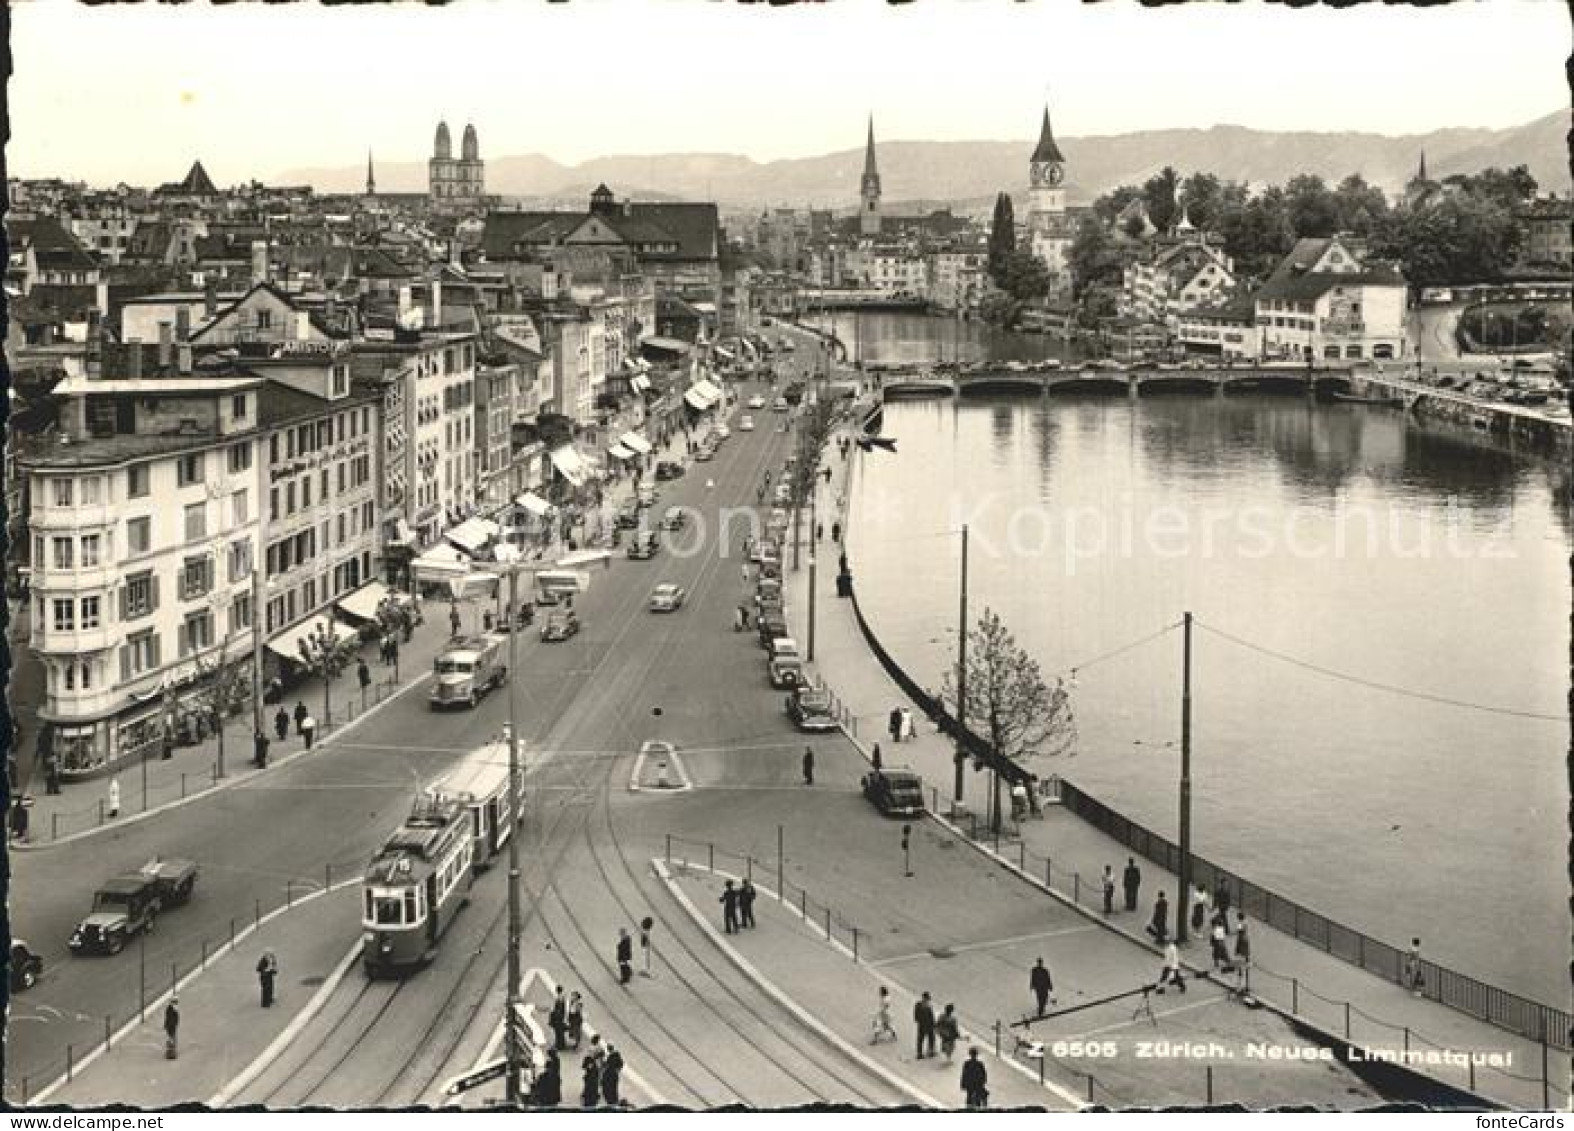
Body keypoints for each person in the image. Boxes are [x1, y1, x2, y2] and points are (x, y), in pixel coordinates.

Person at [914, 991, 937, 1059]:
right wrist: (934, 1025)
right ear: (926, 998)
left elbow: (916, 1016)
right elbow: (931, 1017)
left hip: (921, 1025)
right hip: (929, 1025)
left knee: (920, 1039)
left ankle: (919, 1053)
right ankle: (931, 1052)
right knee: (931, 1038)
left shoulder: (918, 1004)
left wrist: (918, 1021)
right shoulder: (928, 1007)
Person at [601, 1043, 625, 1107]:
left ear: (608, 1049)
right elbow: (621, 1064)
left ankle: (610, 1101)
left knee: (607, 1087)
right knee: (614, 1088)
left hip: (609, 1074)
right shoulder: (617, 1055)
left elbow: (605, 1065)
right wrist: (617, 1070)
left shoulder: (609, 1057)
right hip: (614, 1074)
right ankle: (614, 1100)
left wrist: (604, 1062)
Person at [580, 1044, 603, 1108]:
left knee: (590, 1088)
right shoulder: (589, 1059)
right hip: (591, 1078)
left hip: (592, 1078)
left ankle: (589, 1100)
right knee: (590, 1088)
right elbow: (584, 1066)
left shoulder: (596, 1060)